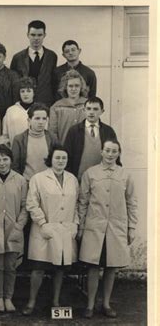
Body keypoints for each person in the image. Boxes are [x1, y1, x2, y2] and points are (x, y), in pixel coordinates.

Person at [77, 140, 137, 319]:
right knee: (93, 266)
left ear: (119, 154)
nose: (110, 154)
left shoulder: (125, 175)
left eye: (114, 151)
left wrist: (131, 227)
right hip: (95, 227)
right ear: (101, 152)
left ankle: (106, 304)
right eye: (108, 151)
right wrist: (80, 226)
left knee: (111, 267)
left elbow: (131, 203)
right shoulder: (91, 173)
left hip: (116, 227)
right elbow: (83, 202)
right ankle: (89, 305)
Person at [22, 145, 79, 316]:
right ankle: (31, 302)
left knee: (60, 267)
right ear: (50, 159)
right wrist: (42, 223)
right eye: (57, 158)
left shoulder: (72, 179)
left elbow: (77, 204)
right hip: (44, 229)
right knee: (38, 267)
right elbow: (32, 203)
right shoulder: (38, 179)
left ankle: (56, 301)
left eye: (64, 158)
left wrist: (75, 224)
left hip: (65, 230)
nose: (60, 161)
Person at [0, 144, 27, 313]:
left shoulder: (20, 180)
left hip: (14, 229)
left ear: (11, 160)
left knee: (10, 266)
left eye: (5, 159)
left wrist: (19, 226)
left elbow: (25, 207)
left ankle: (9, 298)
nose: (2, 163)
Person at [64, 97, 118, 180]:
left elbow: (115, 155)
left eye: (95, 109)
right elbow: (67, 156)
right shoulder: (74, 131)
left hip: (102, 179)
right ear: (84, 110)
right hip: (78, 178)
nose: (91, 112)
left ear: (102, 111)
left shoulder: (108, 131)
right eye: (88, 109)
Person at [10, 20, 57, 106]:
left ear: (44, 35)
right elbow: (14, 84)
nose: (36, 38)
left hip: (46, 103)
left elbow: (53, 82)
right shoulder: (17, 57)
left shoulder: (52, 56)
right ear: (27, 35)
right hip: (24, 104)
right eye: (33, 35)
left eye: (39, 35)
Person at [11, 103, 57, 181]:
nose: (41, 122)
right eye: (37, 118)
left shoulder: (52, 138)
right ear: (29, 120)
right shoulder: (19, 139)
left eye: (44, 118)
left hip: (48, 182)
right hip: (27, 182)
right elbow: (15, 165)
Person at [49, 70, 88, 144]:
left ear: (81, 87)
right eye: (70, 86)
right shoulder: (56, 107)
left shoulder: (88, 105)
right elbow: (52, 132)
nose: (74, 89)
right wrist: (58, 148)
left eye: (77, 85)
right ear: (65, 87)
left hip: (85, 149)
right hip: (64, 148)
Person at [2, 77, 37, 147]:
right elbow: (5, 135)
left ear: (34, 93)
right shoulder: (11, 111)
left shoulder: (40, 110)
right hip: (15, 150)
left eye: (28, 91)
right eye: (22, 91)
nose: (25, 94)